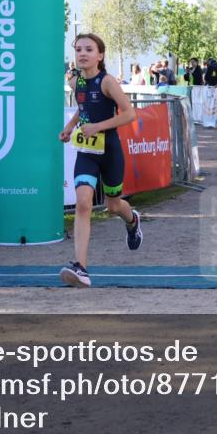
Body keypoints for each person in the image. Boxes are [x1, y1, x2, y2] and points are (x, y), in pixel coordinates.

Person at [58, 33, 143, 288]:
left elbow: (129, 114)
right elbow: (82, 110)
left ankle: (133, 220)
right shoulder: (75, 82)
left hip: (110, 151)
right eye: (78, 50)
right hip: (86, 153)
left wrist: (97, 127)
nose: (82, 54)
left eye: (89, 49)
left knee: (113, 206)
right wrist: (71, 126)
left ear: (100, 55)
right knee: (83, 203)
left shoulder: (107, 82)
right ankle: (81, 267)